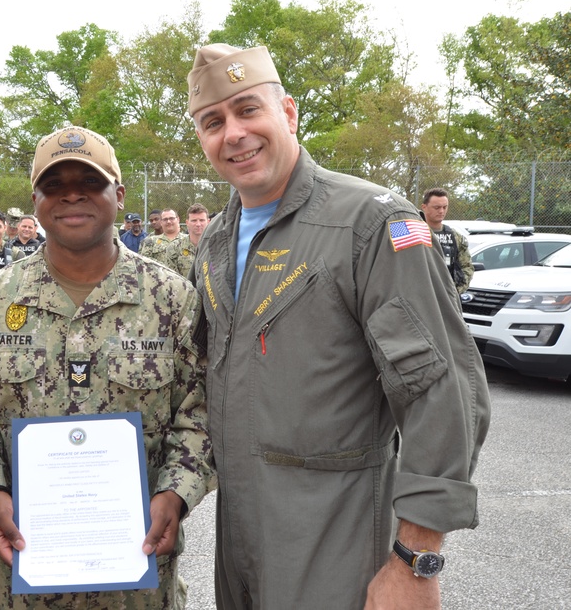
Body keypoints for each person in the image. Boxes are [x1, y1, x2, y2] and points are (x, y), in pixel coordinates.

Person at [186, 43, 491, 608]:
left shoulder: (371, 222)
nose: (233, 133)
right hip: (240, 542)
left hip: (334, 545)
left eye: (248, 109)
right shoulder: (215, 241)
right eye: (212, 122)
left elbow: (444, 389)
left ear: (289, 112)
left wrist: (415, 564)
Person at [0, 125, 215, 609]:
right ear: (36, 199)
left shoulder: (173, 300)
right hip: (25, 577)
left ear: (119, 194)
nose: (71, 196)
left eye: (89, 183)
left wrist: (177, 493)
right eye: (54, 185)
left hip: (140, 581)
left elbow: (203, 411)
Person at [421, 187, 474, 293]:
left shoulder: (455, 237)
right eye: (436, 207)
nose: (441, 211)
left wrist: (455, 290)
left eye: (445, 207)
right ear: (424, 207)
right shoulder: (414, 232)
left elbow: (467, 267)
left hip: (448, 295)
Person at [165, 203, 209, 277]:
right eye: (194, 220)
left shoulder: (215, 247)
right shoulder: (174, 248)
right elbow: (171, 279)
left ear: (208, 222)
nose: (198, 224)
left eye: (201, 220)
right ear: (187, 223)